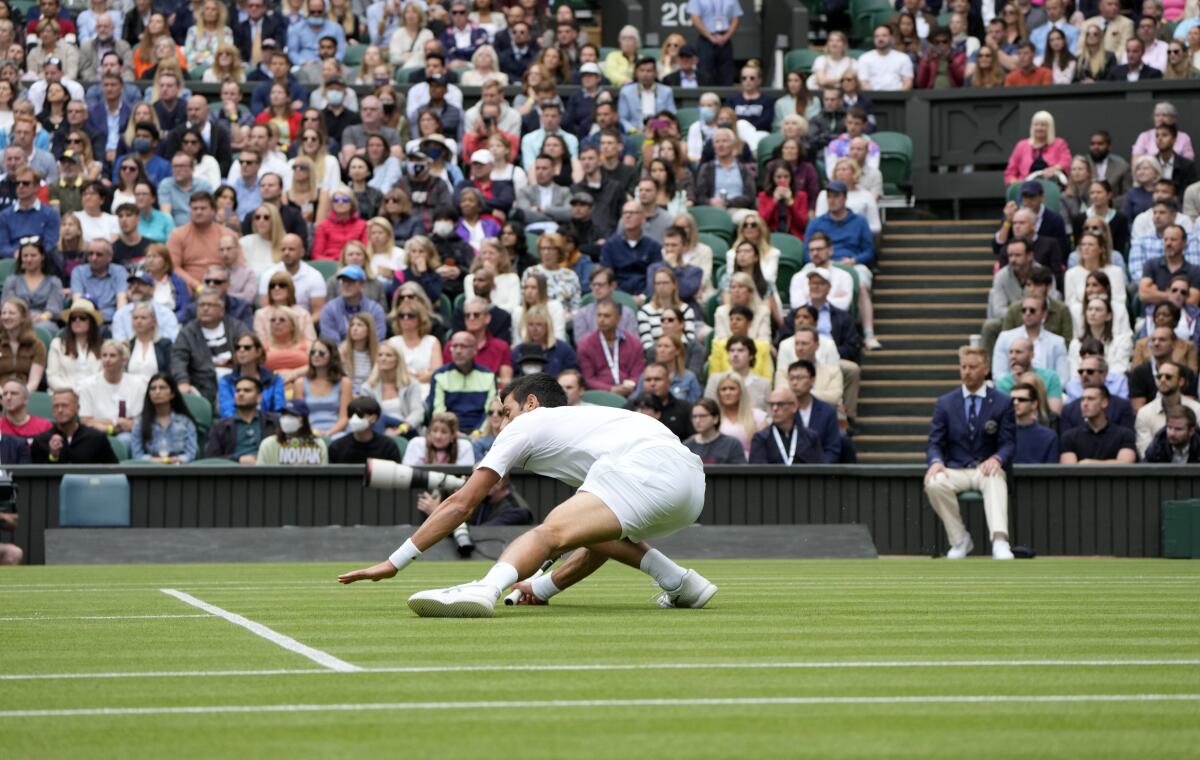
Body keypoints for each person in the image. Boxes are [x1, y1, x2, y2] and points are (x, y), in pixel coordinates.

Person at [340, 373, 717, 616]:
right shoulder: (590, 430)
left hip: (647, 467)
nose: (500, 422)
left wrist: (395, 562)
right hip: (690, 489)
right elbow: (598, 543)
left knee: (548, 530)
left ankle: (484, 589)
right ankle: (683, 583)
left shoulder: (528, 424)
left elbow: (461, 503)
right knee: (578, 529)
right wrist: (542, 587)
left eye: (506, 411)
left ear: (531, 404)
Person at [924, 346, 1017, 560]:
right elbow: (934, 442)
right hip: (955, 468)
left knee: (995, 476)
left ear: (985, 370)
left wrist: (997, 458)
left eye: (973, 367)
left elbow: (1009, 444)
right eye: (963, 367)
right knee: (934, 482)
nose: (967, 372)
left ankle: (1000, 541)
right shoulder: (945, 403)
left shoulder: (1003, 402)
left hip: (985, 468)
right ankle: (959, 540)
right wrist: (936, 461)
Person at [171, 287, 251, 405]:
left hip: (236, 384)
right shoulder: (187, 333)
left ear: (221, 310)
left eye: (210, 305)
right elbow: (178, 359)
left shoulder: (236, 328)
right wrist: (182, 382)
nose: (205, 308)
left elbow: (250, 351)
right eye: (201, 305)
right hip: (200, 386)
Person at [427, 331, 496, 433]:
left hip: (481, 433)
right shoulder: (439, 376)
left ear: (474, 350)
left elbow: (490, 411)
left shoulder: (488, 376)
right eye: (454, 346)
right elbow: (439, 413)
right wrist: (453, 433)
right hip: (449, 434)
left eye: (463, 346)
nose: (458, 351)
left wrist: (478, 432)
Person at [78, 339, 147, 442]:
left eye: (112, 355)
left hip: (127, 435)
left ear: (123, 360)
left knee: (125, 439)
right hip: (95, 434)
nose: (107, 359)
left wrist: (103, 421)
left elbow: (134, 422)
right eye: (104, 355)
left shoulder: (138, 384)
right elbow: (86, 421)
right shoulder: (87, 385)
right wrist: (112, 427)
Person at [31, 388, 119, 464]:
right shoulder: (41, 441)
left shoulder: (96, 438)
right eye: (55, 406)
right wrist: (53, 456)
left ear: (77, 408)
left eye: (65, 405)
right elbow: (38, 480)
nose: (60, 410)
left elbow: (114, 472)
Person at [1133, 360, 1200, 458]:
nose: (1163, 380)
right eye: (1159, 377)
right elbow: (1145, 454)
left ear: (1181, 381)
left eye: (1168, 377)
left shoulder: (1197, 409)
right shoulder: (1144, 413)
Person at [577, 300, 644, 396]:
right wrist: (610, 389)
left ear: (618, 319)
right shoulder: (585, 345)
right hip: (600, 395)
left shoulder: (635, 344)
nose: (601, 320)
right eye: (599, 315)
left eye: (607, 316)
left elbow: (637, 374)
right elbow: (588, 379)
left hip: (630, 393)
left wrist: (629, 386)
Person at [1059, 385, 1138, 464]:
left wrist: (1088, 463)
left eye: (1090, 399)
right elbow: (1070, 469)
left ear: (1104, 402)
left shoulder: (1124, 435)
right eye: (1082, 399)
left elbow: (1125, 465)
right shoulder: (1069, 437)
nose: (1084, 404)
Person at [292, 336, 352, 438]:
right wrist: (312, 432)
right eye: (313, 352)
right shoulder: (300, 383)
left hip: (336, 432)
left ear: (332, 356)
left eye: (321, 353)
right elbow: (299, 416)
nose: (316, 355)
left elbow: (344, 418)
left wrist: (328, 434)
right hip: (308, 432)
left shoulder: (344, 383)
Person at [785, 359, 842, 464]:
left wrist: (820, 471)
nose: (795, 382)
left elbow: (832, 448)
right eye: (791, 378)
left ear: (812, 380)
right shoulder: (784, 411)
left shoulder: (827, 411)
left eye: (800, 378)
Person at [748, 387, 824, 465]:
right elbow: (757, 472)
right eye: (771, 404)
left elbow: (819, 470)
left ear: (794, 406)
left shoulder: (811, 438)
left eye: (780, 404)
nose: (775, 408)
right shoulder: (761, 438)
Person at [362, 341, 424, 436]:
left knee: (382, 418)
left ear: (398, 360)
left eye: (388, 355)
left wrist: (401, 429)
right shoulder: (368, 387)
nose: (383, 358)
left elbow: (418, 412)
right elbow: (367, 416)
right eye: (380, 355)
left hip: (406, 428)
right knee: (380, 419)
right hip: (379, 430)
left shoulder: (411, 384)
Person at [46, 299, 103, 392]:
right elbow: (52, 377)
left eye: (82, 318)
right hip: (63, 395)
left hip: (93, 396)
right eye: (73, 318)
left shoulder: (103, 347)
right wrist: (71, 391)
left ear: (91, 321)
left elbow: (103, 377)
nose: (77, 321)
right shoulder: (57, 344)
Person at [328, 395, 402, 464]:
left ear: (373, 418)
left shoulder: (388, 446)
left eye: (360, 415)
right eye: (351, 415)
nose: (354, 419)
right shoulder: (337, 447)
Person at [255, 398, 327, 465]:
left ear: (303, 420)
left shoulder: (318, 444)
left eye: (292, 415)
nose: (286, 419)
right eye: (284, 414)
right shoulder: (268, 445)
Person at [0, 298, 47, 392]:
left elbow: (34, 381)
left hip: (26, 395)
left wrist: (20, 396)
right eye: (3, 313)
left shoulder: (37, 345)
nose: (6, 317)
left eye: (11, 313)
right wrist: (3, 395)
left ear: (23, 318)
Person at [1010, 381, 1060, 464]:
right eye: (1012, 399)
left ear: (1034, 404)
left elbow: (1052, 472)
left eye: (1021, 399)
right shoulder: (1001, 433)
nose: (1015, 403)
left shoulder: (1049, 437)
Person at [403, 409, 474, 466]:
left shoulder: (464, 447)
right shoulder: (416, 444)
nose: (438, 436)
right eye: (434, 431)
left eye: (444, 432)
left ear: (452, 435)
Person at [684, 398, 745, 464]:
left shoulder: (732, 444)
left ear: (715, 418)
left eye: (702, 416)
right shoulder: (687, 446)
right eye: (694, 417)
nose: (697, 421)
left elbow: (741, 472)